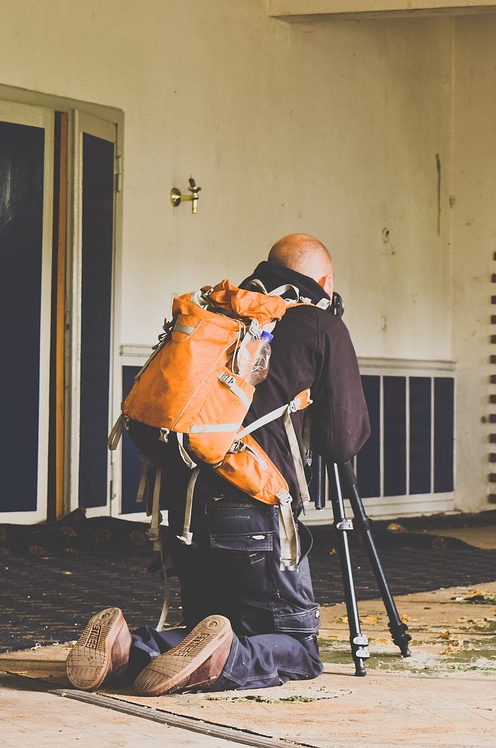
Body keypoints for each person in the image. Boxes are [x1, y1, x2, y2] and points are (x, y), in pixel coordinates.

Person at [66, 233, 370, 695]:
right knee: (298, 648)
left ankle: (128, 646)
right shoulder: (317, 324)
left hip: (184, 504)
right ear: (324, 280)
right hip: (256, 507)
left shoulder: (216, 308)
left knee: (212, 625)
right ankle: (225, 659)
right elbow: (344, 440)